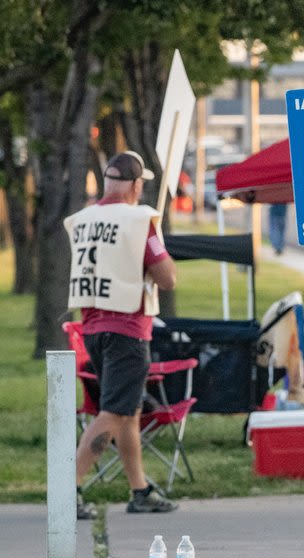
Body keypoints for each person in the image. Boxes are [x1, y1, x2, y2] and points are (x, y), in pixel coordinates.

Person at [68, 151, 179, 517]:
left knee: (128, 413)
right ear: (136, 185)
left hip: (94, 329)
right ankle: (67, 490)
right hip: (129, 331)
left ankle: (139, 490)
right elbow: (167, 277)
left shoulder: (84, 221)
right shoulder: (138, 222)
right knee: (115, 412)